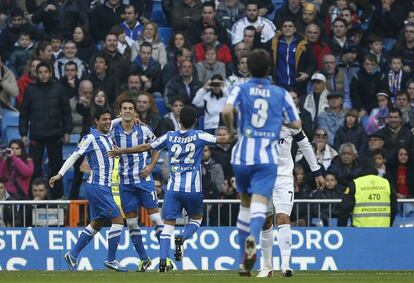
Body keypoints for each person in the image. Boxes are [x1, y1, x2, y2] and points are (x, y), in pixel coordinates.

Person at [108, 105, 230, 272]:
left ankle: (163, 262)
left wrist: (123, 150)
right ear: (195, 121)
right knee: (196, 220)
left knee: (168, 226)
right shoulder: (199, 135)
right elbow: (223, 140)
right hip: (192, 189)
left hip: (172, 189)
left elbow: (146, 147)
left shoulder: (170, 136)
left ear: (179, 120)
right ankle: (182, 238)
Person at [222, 49, 301, 276]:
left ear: (248, 67)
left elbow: (227, 110)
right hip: (267, 159)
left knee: (245, 205)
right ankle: (252, 239)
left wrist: (229, 131)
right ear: (269, 69)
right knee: (260, 206)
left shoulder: (240, 88)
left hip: (242, 156)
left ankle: (243, 255)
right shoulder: (280, 93)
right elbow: (296, 123)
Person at [49, 107, 127, 272]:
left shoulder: (106, 135)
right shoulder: (91, 138)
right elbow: (75, 155)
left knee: (97, 223)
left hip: (104, 187)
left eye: (109, 119)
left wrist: (126, 117)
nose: (107, 122)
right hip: (98, 186)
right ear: (96, 121)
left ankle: (73, 254)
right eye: (104, 120)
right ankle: (111, 260)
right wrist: (60, 174)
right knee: (118, 221)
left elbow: (113, 122)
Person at [258, 125, 324, 278]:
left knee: (283, 217)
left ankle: (286, 266)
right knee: (265, 221)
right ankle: (266, 267)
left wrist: (316, 171)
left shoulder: (290, 123)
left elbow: (305, 144)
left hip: (284, 178)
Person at [111, 98, 168, 271]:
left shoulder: (144, 130)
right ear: (120, 112)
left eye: (130, 109)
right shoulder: (113, 130)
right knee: (132, 223)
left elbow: (157, 147)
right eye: (124, 109)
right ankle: (144, 259)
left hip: (144, 181)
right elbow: (96, 127)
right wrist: (116, 119)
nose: (127, 111)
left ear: (135, 112)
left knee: (155, 218)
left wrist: (151, 166)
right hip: (125, 183)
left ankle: (166, 258)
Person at [19, 62, 73, 199]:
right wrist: (24, 134)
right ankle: (33, 199)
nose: (43, 74)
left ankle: (57, 197)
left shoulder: (59, 89)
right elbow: (24, 113)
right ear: (37, 74)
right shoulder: (30, 90)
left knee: (56, 168)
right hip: (36, 136)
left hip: (55, 135)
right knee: (34, 169)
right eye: (40, 72)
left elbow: (66, 112)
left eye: (45, 72)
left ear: (50, 73)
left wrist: (68, 131)